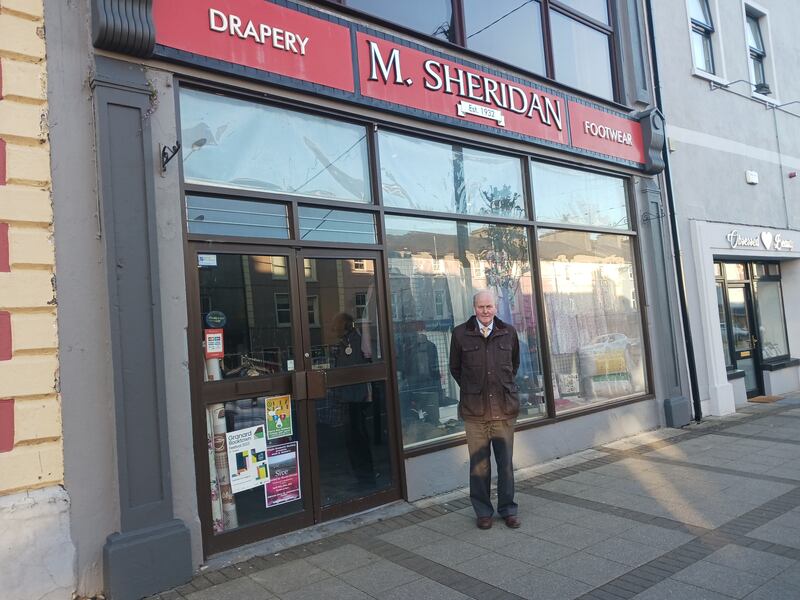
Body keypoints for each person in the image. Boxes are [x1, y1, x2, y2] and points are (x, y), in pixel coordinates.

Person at [449, 290, 521, 529]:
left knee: (505, 464)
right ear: (474, 308)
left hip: (503, 410)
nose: (485, 311)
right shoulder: (460, 334)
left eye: (489, 306)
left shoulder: (509, 332)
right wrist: (473, 389)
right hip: (475, 412)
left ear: (495, 308)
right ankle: (483, 512)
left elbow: (514, 365)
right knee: (479, 466)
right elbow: (455, 369)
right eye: (481, 307)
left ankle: (508, 509)